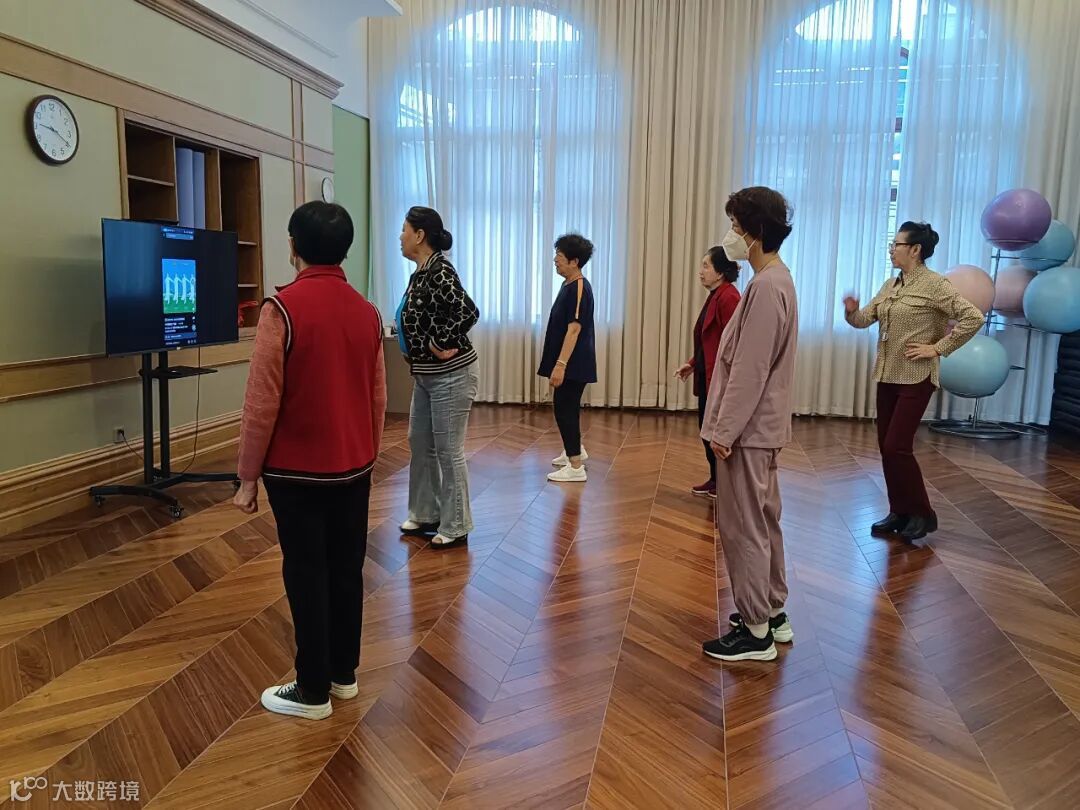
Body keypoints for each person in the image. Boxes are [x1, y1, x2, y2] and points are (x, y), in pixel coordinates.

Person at [234, 201, 386, 720]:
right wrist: (366, 451)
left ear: (293, 245)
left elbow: (262, 403)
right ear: (345, 248)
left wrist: (247, 477)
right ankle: (344, 675)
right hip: (355, 465)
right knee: (346, 569)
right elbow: (377, 397)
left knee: (306, 572)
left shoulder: (281, 310)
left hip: (296, 473)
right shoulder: (368, 311)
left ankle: (312, 690)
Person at [700, 186, 798, 663]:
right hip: (762, 428)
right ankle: (773, 613)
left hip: (749, 432)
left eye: (737, 226)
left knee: (744, 527)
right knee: (764, 520)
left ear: (756, 232)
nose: (732, 234)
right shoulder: (776, 279)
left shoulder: (765, 286)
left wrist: (724, 431)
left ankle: (756, 632)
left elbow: (749, 369)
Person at [844, 221, 983, 542]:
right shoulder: (891, 284)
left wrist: (938, 348)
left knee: (897, 446)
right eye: (891, 244)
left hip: (916, 378)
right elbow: (864, 320)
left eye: (897, 244)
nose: (891, 249)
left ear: (916, 250)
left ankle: (923, 514)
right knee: (887, 448)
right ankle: (900, 511)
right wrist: (851, 312)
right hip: (887, 375)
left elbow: (973, 317)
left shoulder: (936, 285)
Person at [396, 206, 480, 549]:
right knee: (420, 443)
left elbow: (468, 310)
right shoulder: (420, 272)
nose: (400, 237)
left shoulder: (440, 270)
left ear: (419, 235)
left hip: (451, 375)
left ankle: (457, 524)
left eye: (404, 230)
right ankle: (425, 512)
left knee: (448, 450)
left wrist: (440, 342)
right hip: (426, 376)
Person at [675, 247, 742, 498]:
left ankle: (724, 484)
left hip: (719, 378)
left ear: (720, 272)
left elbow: (732, 342)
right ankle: (716, 480)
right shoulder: (716, 295)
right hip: (707, 373)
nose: (701, 271)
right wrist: (693, 363)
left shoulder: (729, 297)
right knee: (706, 428)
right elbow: (709, 340)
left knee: (714, 430)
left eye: (706, 266)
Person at [538, 234, 597, 483]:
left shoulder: (580, 287)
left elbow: (574, 329)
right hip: (568, 360)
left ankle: (575, 467)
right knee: (565, 407)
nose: (555, 260)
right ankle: (575, 450)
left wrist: (561, 365)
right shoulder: (568, 284)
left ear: (574, 261)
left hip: (574, 361)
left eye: (560, 256)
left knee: (565, 409)